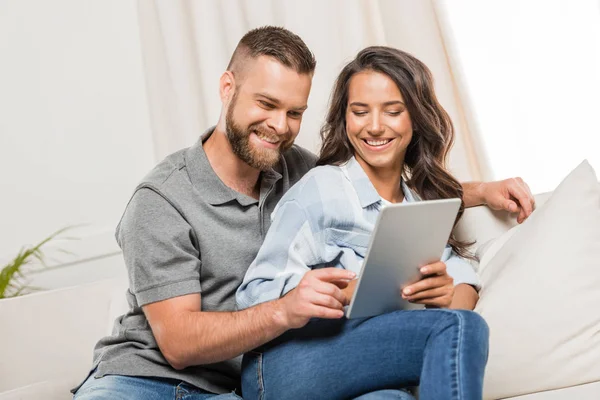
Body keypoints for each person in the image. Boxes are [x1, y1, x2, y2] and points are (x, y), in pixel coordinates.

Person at [72, 27, 535, 400]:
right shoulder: (162, 200)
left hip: (233, 386)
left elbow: (379, 188)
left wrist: (477, 193)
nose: (279, 126)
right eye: (267, 104)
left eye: (295, 112)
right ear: (227, 87)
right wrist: (287, 310)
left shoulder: (292, 166)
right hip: (141, 381)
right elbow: (178, 344)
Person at [236, 45, 495, 400]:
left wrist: (448, 294)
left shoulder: (420, 204)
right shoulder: (321, 188)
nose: (374, 127)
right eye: (360, 112)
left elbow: (463, 281)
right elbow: (253, 295)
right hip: (282, 367)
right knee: (465, 327)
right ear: (345, 119)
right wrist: (340, 292)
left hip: (362, 369)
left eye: (393, 111)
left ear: (415, 119)